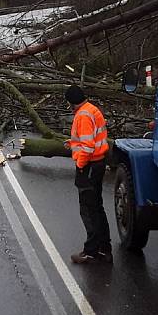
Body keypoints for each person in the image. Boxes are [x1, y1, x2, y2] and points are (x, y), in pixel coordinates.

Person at [64, 85, 112, 264]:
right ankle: (104, 249)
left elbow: (88, 146)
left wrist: (80, 164)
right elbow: (89, 138)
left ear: (71, 102)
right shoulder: (92, 109)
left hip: (89, 166)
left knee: (89, 209)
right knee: (97, 208)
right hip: (98, 163)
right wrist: (72, 143)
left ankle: (91, 251)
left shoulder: (83, 115)